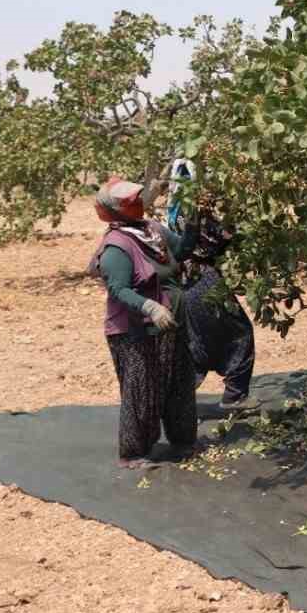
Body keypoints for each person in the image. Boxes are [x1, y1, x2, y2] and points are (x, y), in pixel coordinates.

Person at [88, 176, 201, 469]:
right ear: (116, 210)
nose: (138, 203)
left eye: (138, 199)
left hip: (170, 324)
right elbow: (119, 289)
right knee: (141, 388)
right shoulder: (117, 246)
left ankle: (182, 442)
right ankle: (134, 453)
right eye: (131, 202)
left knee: (178, 382)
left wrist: (195, 222)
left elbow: (183, 249)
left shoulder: (152, 230)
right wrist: (150, 307)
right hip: (135, 329)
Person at [167, 161, 258, 412]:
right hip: (204, 279)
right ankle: (234, 397)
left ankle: (177, 401)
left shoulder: (176, 207)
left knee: (196, 338)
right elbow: (219, 238)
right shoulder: (197, 211)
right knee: (240, 333)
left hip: (185, 280)